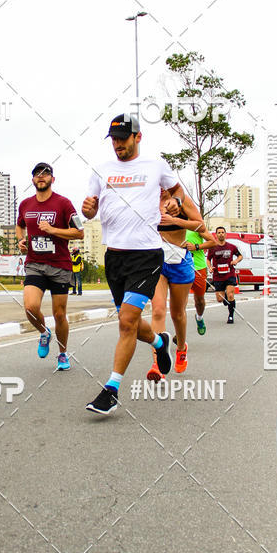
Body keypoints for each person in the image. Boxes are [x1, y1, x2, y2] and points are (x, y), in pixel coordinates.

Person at [82, 113, 202, 415]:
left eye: (123, 138)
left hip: (146, 255)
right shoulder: (101, 170)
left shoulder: (155, 166)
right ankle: (160, 343)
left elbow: (177, 191)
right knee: (131, 322)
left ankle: (111, 390)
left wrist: (175, 202)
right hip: (115, 258)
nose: (118, 144)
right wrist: (88, 208)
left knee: (125, 321)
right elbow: (90, 211)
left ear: (138, 137)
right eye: (114, 139)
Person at [16, 162, 84, 371]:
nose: (41, 177)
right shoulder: (26, 204)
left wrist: (53, 230)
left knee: (59, 314)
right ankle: (44, 333)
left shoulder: (64, 204)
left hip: (59, 265)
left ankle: (63, 353)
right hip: (35, 263)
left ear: (53, 179)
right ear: (33, 180)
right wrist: (21, 240)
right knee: (30, 307)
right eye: (37, 174)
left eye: (46, 174)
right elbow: (20, 224)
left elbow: (79, 232)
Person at [146, 196, 210, 381]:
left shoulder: (181, 201)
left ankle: (181, 348)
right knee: (158, 310)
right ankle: (158, 363)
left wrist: (175, 220)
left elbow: (201, 227)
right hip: (156, 260)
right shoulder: (146, 198)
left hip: (180, 261)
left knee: (177, 314)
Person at [207, 226, 243, 324]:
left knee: (231, 295)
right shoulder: (213, 248)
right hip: (218, 276)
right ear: (216, 235)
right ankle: (226, 298)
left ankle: (231, 316)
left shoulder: (231, 247)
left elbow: (240, 256)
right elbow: (208, 259)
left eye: (223, 232)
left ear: (225, 234)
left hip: (229, 274)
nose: (221, 234)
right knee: (220, 299)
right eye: (219, 232)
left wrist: (235, 260)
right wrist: (210, 267)